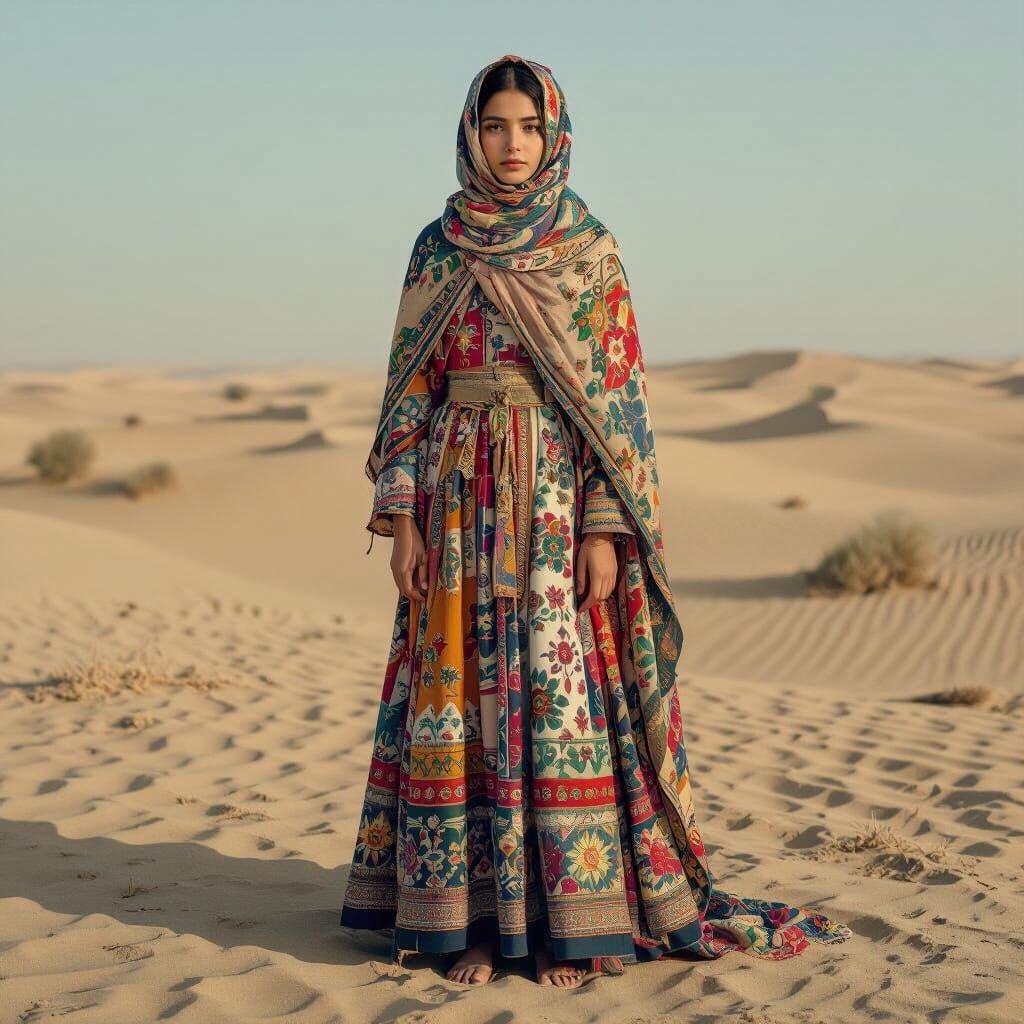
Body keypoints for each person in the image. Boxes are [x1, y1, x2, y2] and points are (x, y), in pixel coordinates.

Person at [340, 53, 852, 989]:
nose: (511, 145)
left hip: (551, 507)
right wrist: (403, 518)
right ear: (470, 133)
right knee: (459, 707)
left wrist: (604, 530)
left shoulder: (588, 248)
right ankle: (473, 928)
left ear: (554, 135)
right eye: (495, 127)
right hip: (454, 509)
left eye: (528, 128)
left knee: (551, 702)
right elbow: (408, 391)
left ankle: (563, 928)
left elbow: (616, 407)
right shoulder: (437, 247)